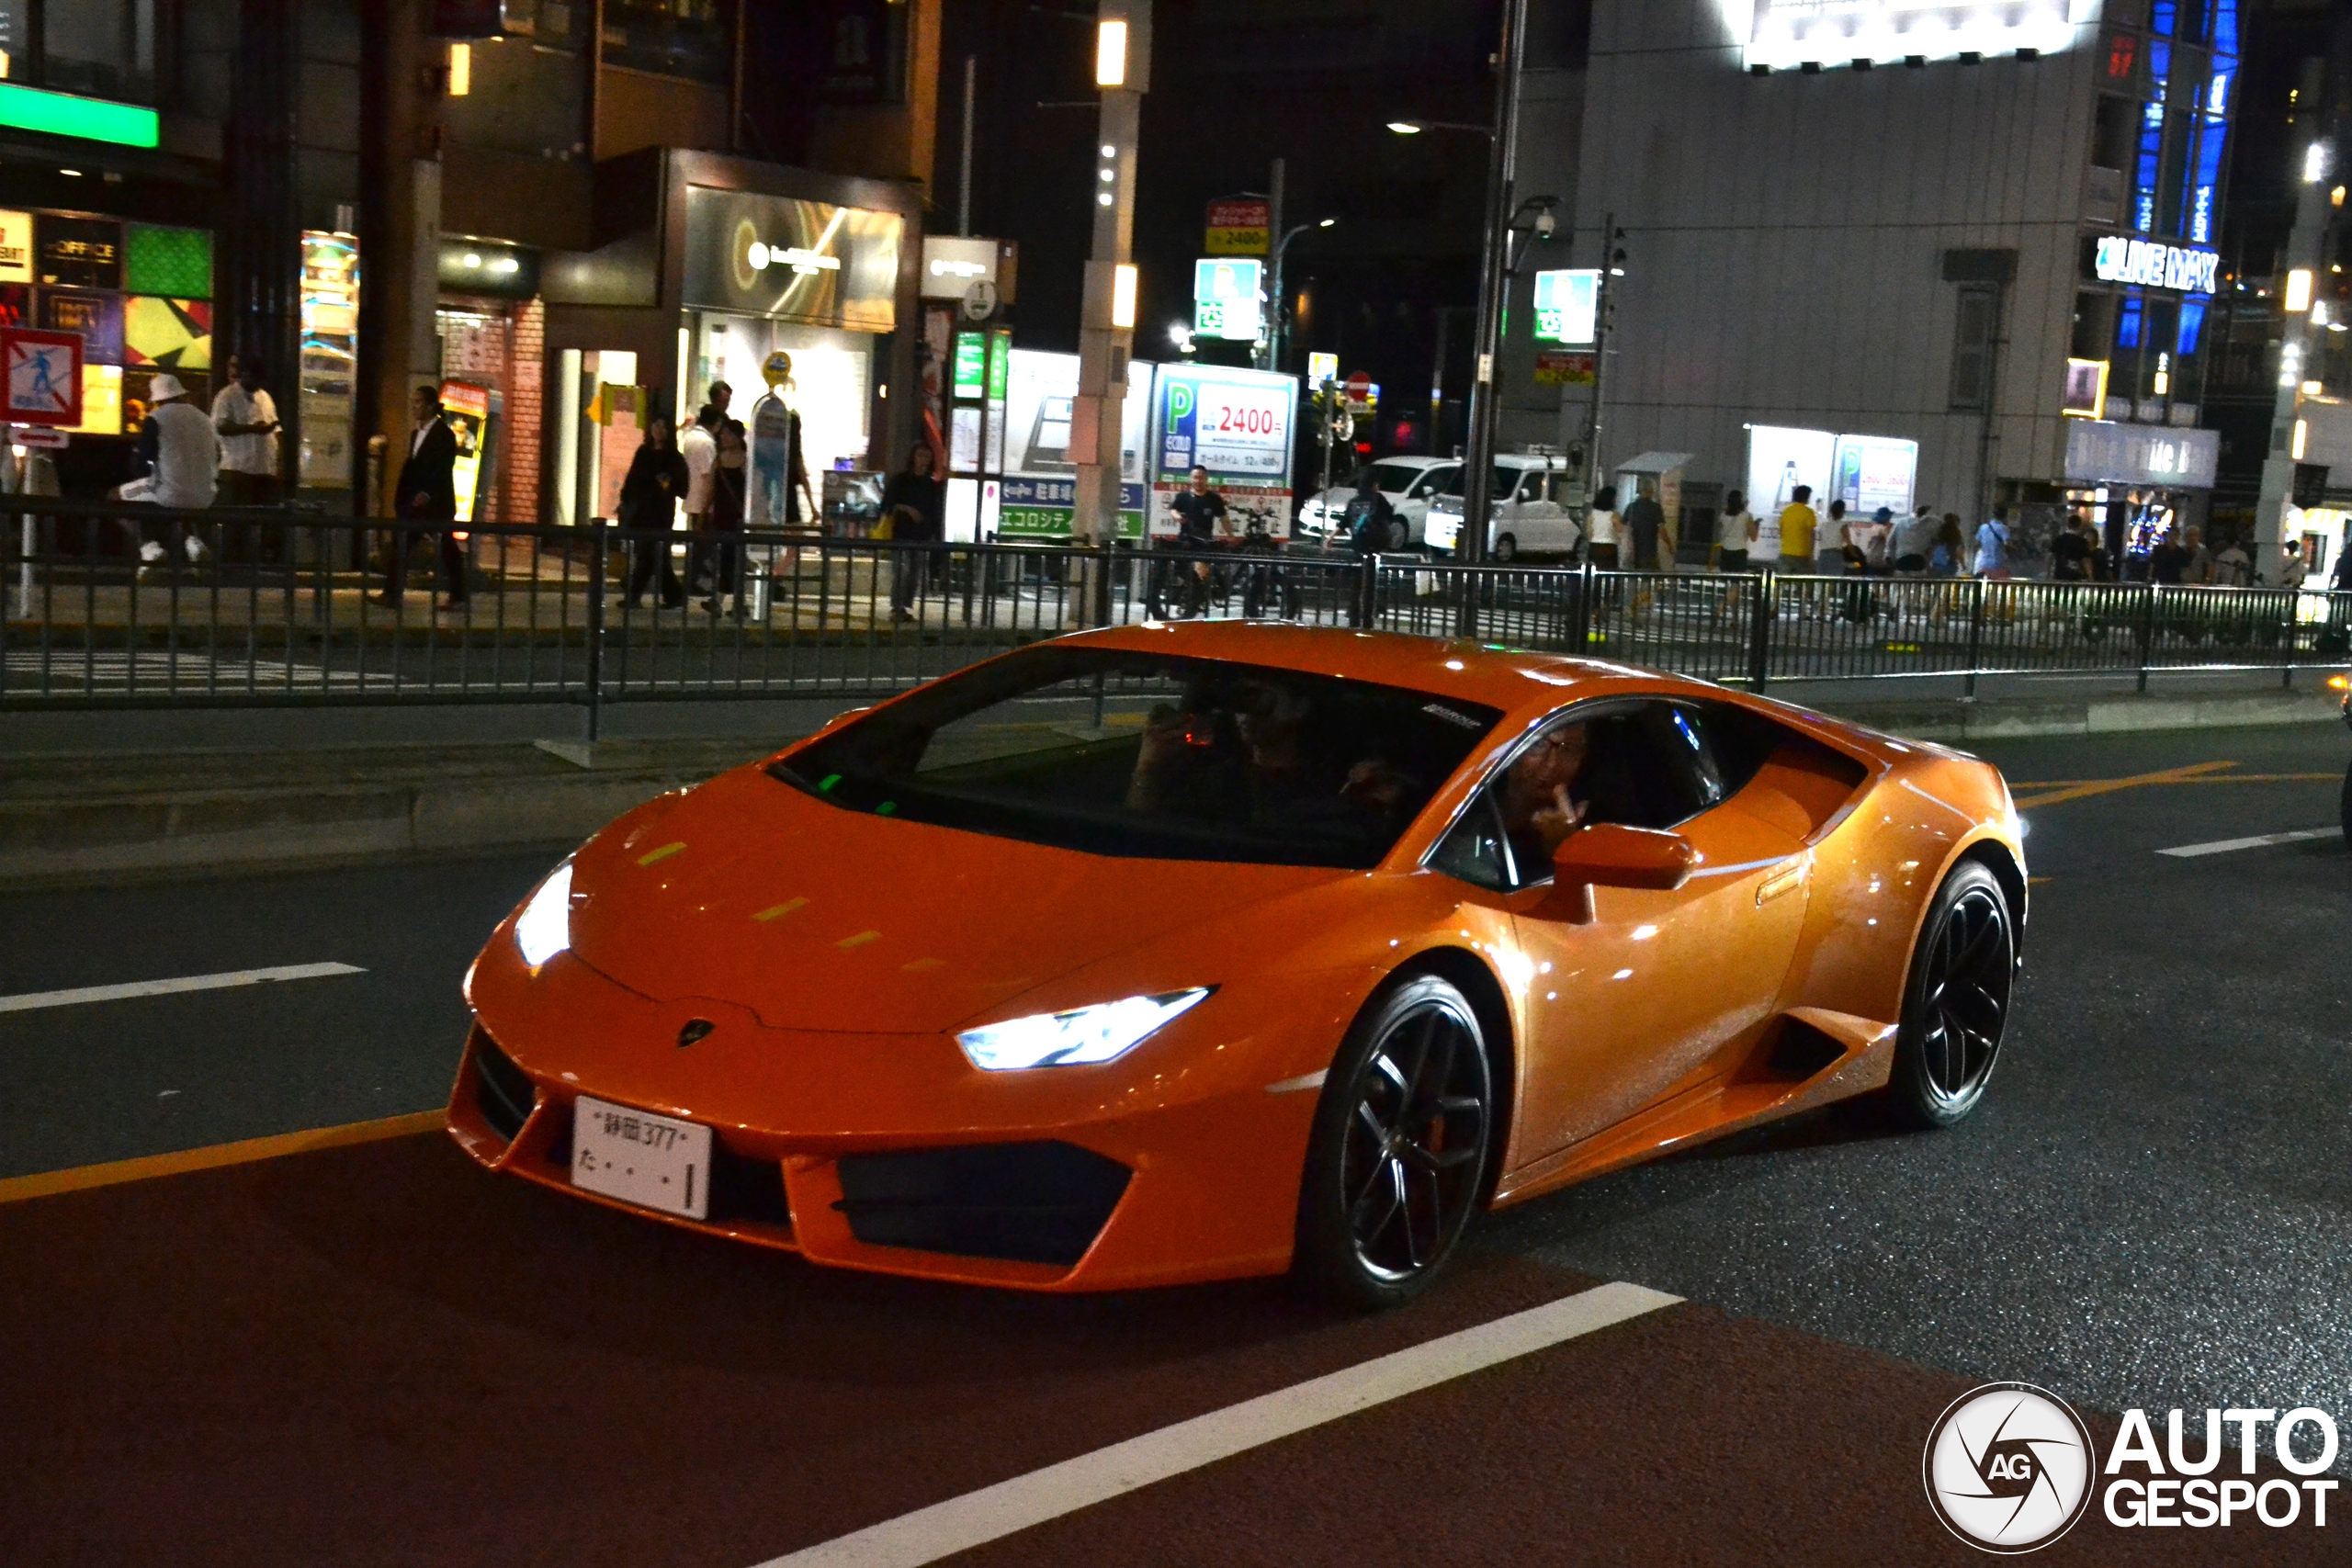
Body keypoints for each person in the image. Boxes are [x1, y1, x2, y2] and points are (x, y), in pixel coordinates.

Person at [372, 384, 463, 611]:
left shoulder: (444, 434)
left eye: (419, 402)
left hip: (436, 504)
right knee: (400, 544)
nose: (414, 407)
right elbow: (414, 467)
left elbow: (442, 467)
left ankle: (458, 595)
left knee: (447, 548)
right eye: (413, 402)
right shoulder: (416, 433)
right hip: (414, 504)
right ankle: (392, 593)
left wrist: (427, 493)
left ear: (431, 406)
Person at [128, 372, 218, 578]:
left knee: (117, 497)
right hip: (207, 494)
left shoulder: (156, 418)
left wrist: (141, 474)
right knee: (180, 499)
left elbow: (143, 460)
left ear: (157, 399)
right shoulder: (204, 418)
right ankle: (193, 543)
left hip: (171, 493)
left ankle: (149, 549)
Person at [1498, 721, 1590, 874]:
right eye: (1538, 745)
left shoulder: (1588, 826)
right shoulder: (1472, 800)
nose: (1551, 764)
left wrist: (1564, 848)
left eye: (1568, 750)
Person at [619, 414, 691, 608]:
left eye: (663, 427)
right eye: (656, 425)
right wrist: (625, 500)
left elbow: (682, 488)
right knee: (652, 555)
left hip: (661, 511)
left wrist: (666, 483)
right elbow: (632, 479)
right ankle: (671, 596)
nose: (659, 430)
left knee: (653, 553)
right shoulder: (643, 452)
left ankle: (637, 595)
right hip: (642, 510)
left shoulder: (674, 457)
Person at [882, 443, 944, 622]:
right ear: (913, 457)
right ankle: (897, 607)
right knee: (903, 570)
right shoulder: (901, 480)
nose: (923, 460)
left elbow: (935, 511)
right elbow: (887, 505)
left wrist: (934, 533)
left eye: (927, 456)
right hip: (901, 533)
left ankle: (904, 606)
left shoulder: (931, 485)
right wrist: (906, 509)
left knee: (915, 572)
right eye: (920, 456)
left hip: (921, 534)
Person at [211, 355, 281, 510]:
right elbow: (220, 427)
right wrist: (251, 428)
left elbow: (276, 431)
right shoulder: (227, 396)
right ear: (244, 375)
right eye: (254, 378)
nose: (258, 383)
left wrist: (278, 465)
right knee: (236, 520)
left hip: (264, 471)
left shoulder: (265, 397)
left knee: (264, 520)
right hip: (237, 470)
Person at [700, 415, 749, 616]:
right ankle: (738, 603)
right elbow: (711, 489)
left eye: (728, 434)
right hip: (721, 516)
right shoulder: (718, 460)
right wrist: (704, 513)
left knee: (731, 559)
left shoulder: (747, 460)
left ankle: (719, 601)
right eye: (723, 434)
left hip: (738, 518)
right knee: (727, 559)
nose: (724, 438)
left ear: (738, 437)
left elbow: (751, 492)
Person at [1170, 466, 1230, 615]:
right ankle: (1188, 600)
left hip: (1204, 541)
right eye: (1195, 477)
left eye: (1201, 477)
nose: (1198, 480)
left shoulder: (1214, 499)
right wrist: (1177, 516)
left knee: (1202, 571)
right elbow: (1173, 510)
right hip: (1185, 539)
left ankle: (1198, 599)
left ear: (1206, 479)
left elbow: (1224, 518)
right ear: (1191, 478)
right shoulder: (1182, 497)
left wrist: (1231, 535)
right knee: (1184, 571)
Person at [1341, 462, 1396, 557]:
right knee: (1372, 564)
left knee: (1358, 564)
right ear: (1374, 485)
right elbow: (1389, 514)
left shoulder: (1353, 501)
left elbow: (1344, 522)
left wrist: (1330, 537)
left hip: (1357, 541)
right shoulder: (1378, 498)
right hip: (1374, 540)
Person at [1776, 483, 1817, 574]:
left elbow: (1781, 532)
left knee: (1783, 583)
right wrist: (1811, 554)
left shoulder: (1786, 511)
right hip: (1802, 554)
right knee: (1802, 584)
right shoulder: (1809, 513)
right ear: (1806, 497)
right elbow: (1811, 535)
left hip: (1785, 553)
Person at [1715, 487, 1757, 574]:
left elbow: (1721, 527)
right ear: (1741, 501)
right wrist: (1756, 525)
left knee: (1726, 578)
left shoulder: (1722, 516)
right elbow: (1754, 538)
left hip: (1725, 550)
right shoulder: (1747, 516)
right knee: (1736, 581)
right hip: (1739, 552)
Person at [1893, 502, 1939, 576]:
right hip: (1918, 561)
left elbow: (1891, 541)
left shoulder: (1900, 523)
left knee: (1900, 584)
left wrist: (1890, 557)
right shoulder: (1930, 526)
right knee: (1917, 585)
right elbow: (1934, 542)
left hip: (1901, 560)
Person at [2050, 509, 2095, 582]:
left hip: (2060, 574)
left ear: (2068, 524)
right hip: (2075, 575)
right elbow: (2086, 560)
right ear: (2079, 525)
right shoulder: (2082, 542)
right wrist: (2090, 577)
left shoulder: (2060, 539)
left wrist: (2048, 573)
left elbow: (2051, 556)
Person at [1584, 485, 1620, 570]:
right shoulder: (1614, 515)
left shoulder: (1592, 514)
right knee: (1609, 572)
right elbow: (1619, 531)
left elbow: (1589, 532)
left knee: (1595, 572)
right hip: (1610, 547)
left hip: (1594, 546)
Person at [1974, 507, 2012, 580]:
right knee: (1997, 587)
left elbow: (1977, 543)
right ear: (2005, 516)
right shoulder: (2003, 528)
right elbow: (2007, 544)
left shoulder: (1983, 527)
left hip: (1983, 564)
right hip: (1998, 564)